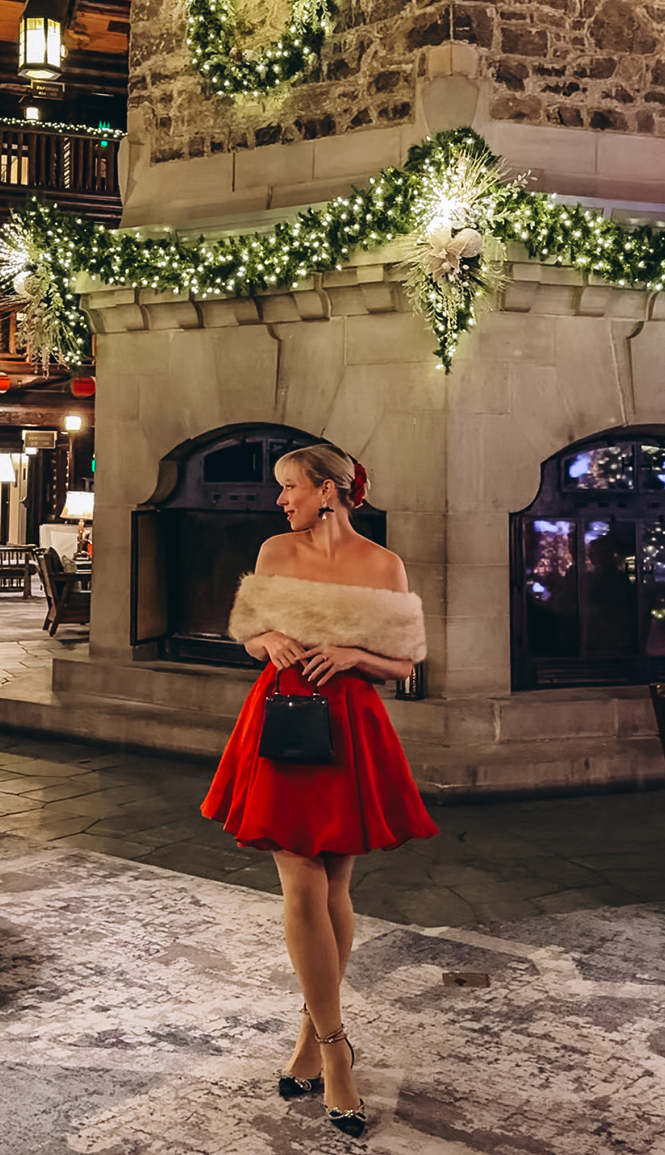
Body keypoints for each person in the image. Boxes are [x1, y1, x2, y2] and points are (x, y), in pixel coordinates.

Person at [201, 444, 437, 1139]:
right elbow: (247, 637)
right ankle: (337, 1055)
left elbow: (406, 664)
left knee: (335, 886)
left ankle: (310, 1035)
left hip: (351, 727)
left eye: (290, 487)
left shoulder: (382, 565)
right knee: (302, 885)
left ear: (329, 491)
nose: (280, 500)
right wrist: (269, 637)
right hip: (282, 721)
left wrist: (355, 655)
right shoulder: (275, 551)